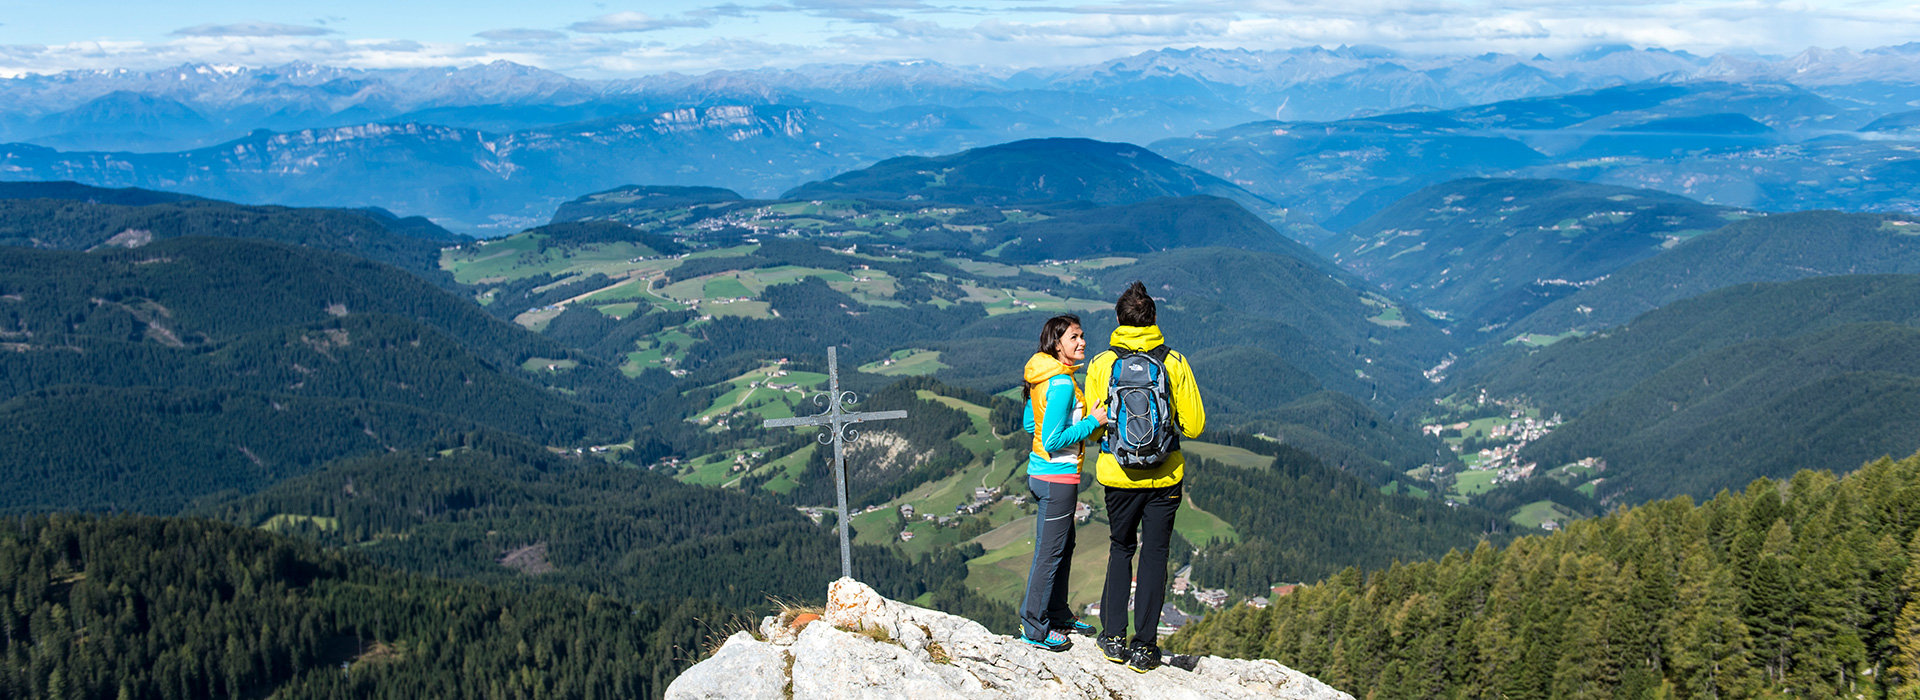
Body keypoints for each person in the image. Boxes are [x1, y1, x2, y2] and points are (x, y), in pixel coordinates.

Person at [1087, 282, 1205, 673]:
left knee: (1121, 549)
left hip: (1118, 475)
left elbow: (1093, 427)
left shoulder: (1103, 364)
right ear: (1153, 320)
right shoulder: (1174, 361)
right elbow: (1196, 424)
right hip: (1165, 475)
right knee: (1155, 555)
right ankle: (1145, 647)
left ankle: (1113, 637)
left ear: (1119, 320)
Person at [1016, 314, 1110, 651]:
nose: (1082, 342)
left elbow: (1031, 425)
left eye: (1082, 336)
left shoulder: (1045, 377)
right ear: (1058, 345)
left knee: (1062, 547)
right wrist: (1092, 421)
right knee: (1049, 554)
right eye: (1074, 337)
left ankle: (1056, 613)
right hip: (1057, 479)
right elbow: (1054, 439)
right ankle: (1034, 627)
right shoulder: (1061, 383)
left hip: (1042, 475)